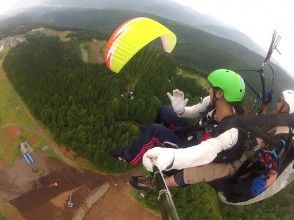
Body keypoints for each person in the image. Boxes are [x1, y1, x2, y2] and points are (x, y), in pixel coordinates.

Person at [131, 90, 294, 193]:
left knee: (202, 171)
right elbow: (258, 122)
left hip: (240, 163)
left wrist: (264, 183)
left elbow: (275, 164)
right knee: (205, 147)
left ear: (286, 109)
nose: (278, 102)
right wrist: (264, 105)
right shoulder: (276, 122)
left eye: (281, 101)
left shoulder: (282, 135)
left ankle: (157, 184)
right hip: (241, 148)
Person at [109, 69, 246, 168]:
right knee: (165, 111)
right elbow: (193, 112)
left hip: (190, 150)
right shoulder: (210, 103)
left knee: (154, 130)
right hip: (193, 133)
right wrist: (181, 110)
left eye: (211, 88)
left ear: (220, 93)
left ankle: (129, 156)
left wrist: (172, 158)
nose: (208, 90)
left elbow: (204, 153)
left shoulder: (230, 132)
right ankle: (156, 138)